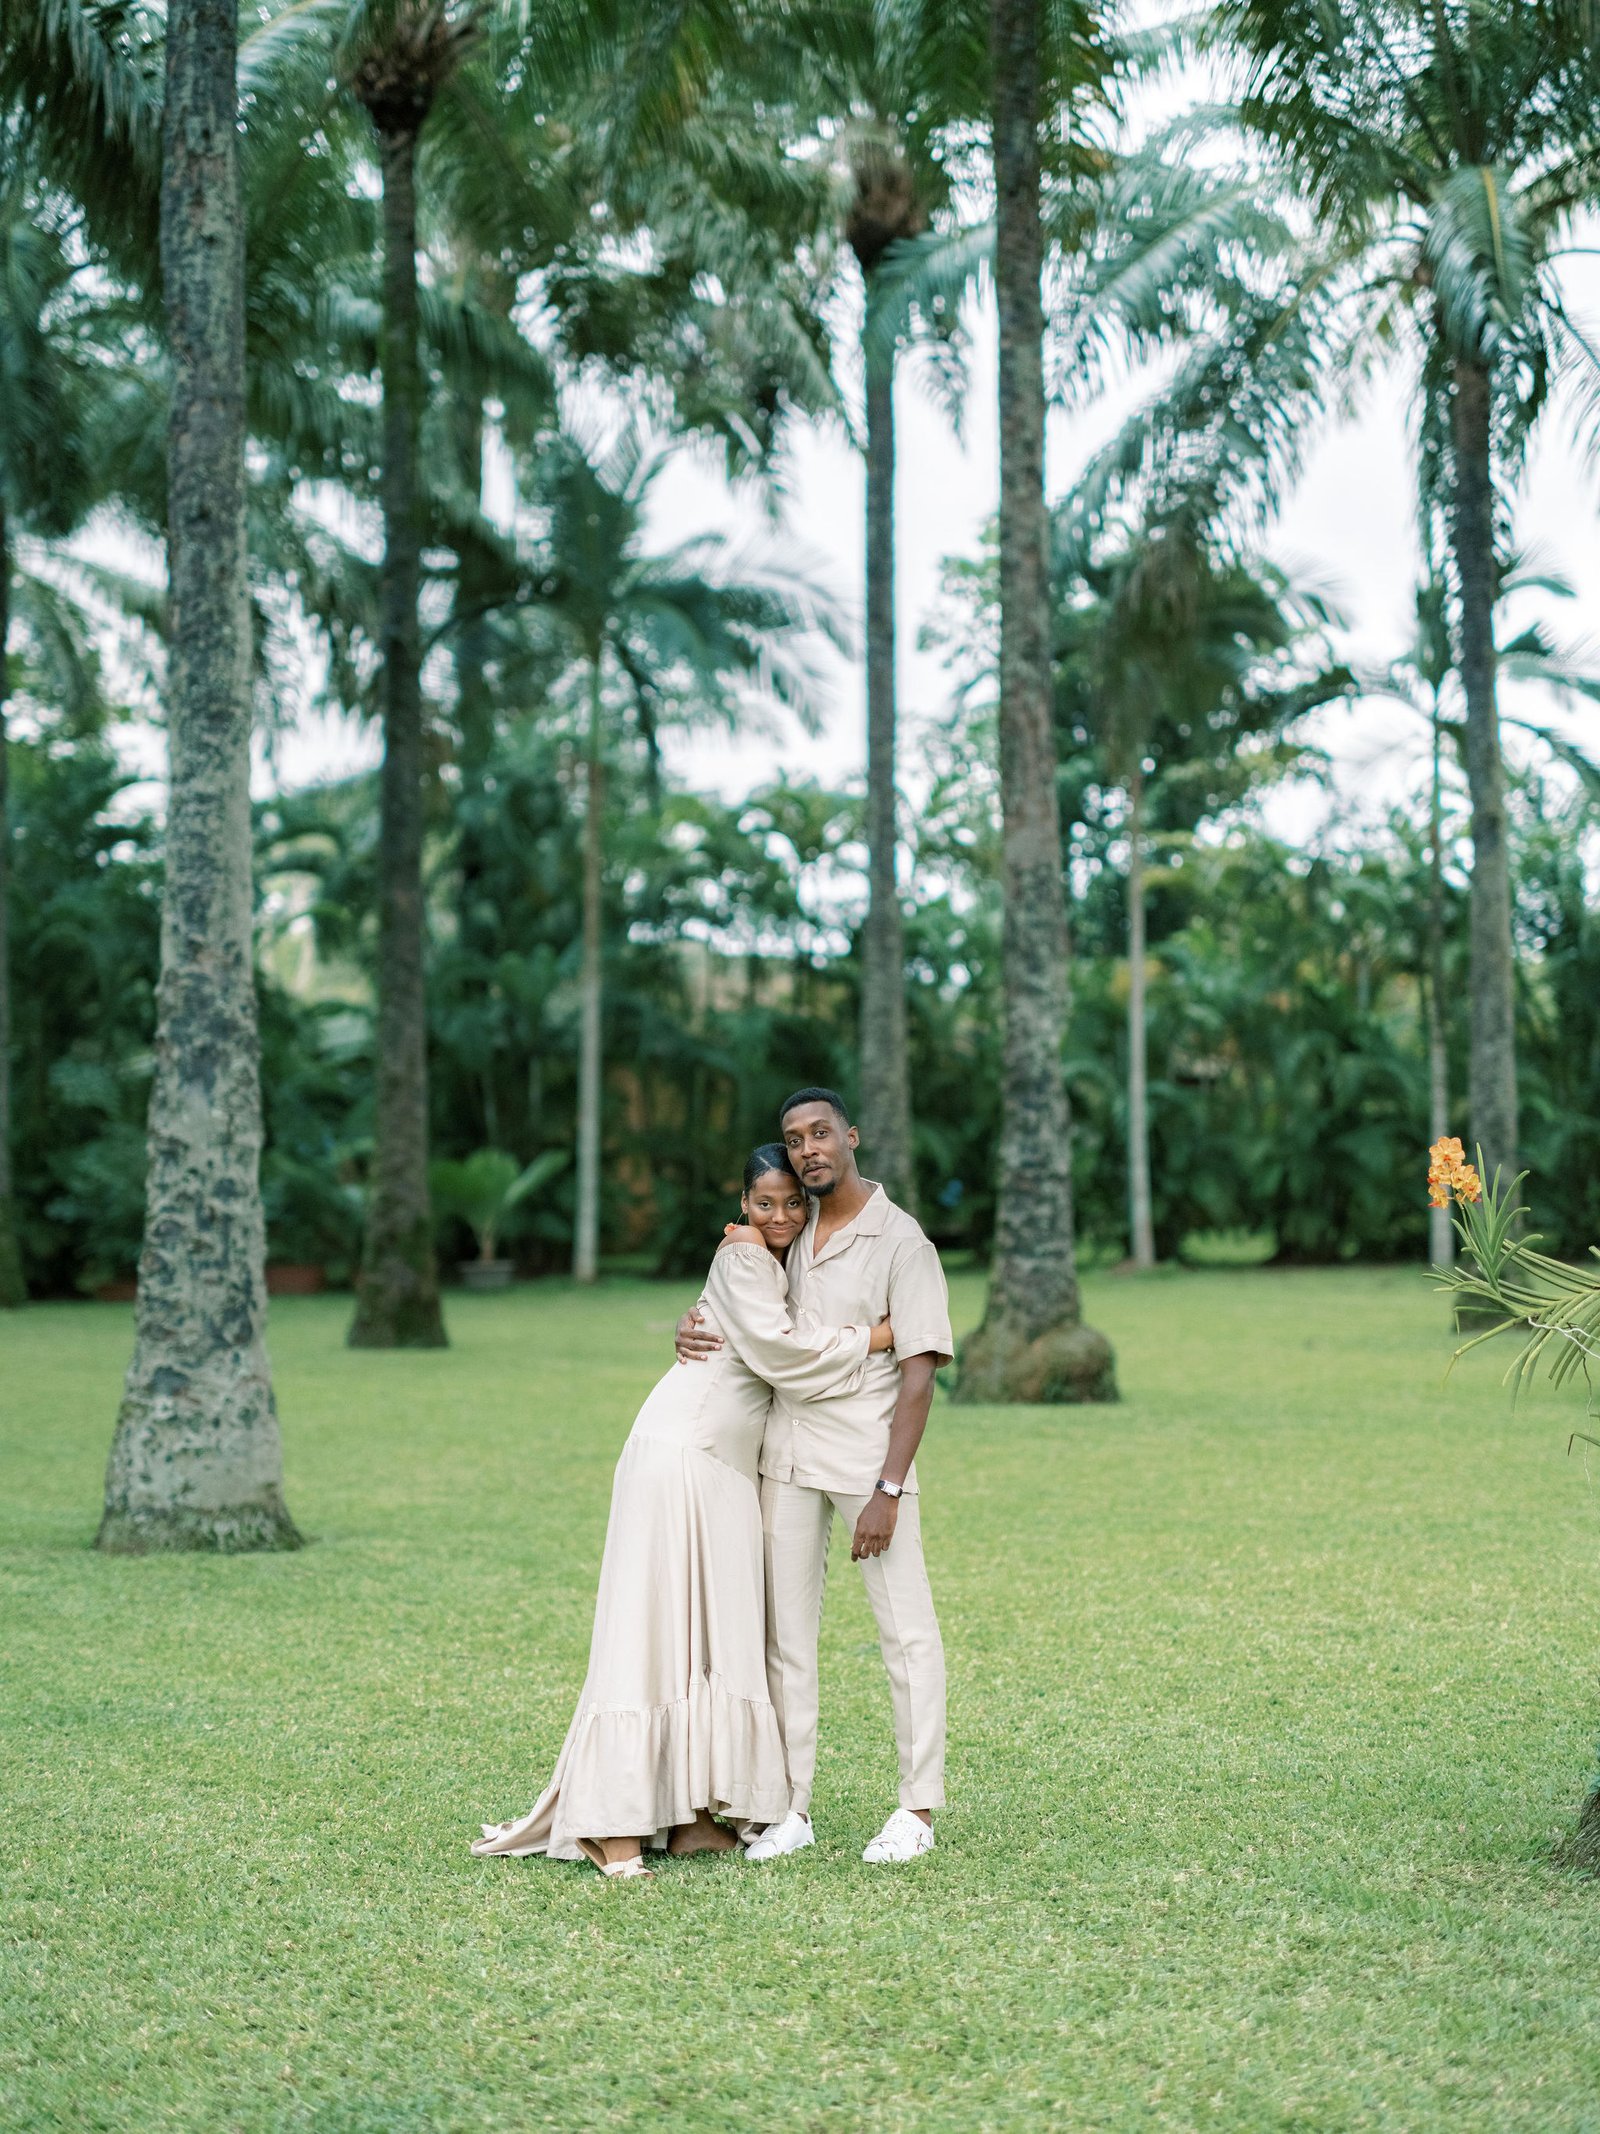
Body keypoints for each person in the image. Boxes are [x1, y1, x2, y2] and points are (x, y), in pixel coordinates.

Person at [472, 1144, 896, 1881]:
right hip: (682, 1452)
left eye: (793, 1203)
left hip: (725, 1467)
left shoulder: (778, 1260)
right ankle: (614, 1824)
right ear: (740, 1206)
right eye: (764, 1204)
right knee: (652, 1628)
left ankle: (696, 1816)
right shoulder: (742, 1257)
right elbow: (783, 1350)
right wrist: (884, 1336)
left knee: (708, 1634)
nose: (780, 1216)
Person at [675, 1087, 952, 1866]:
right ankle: (790, 1805)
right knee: (785, 1644)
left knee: (906, 1635)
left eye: (821, 1133)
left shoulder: (904, 1244)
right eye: (794, 1138)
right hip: (783, 1455)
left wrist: (889, 1489)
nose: (808, 1149)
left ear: (852, 1136)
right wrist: (692, 1320)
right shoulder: (783, 1231)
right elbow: (739, 1306)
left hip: (867, 1461)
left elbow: (921, 1372)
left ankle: (917, 1810)